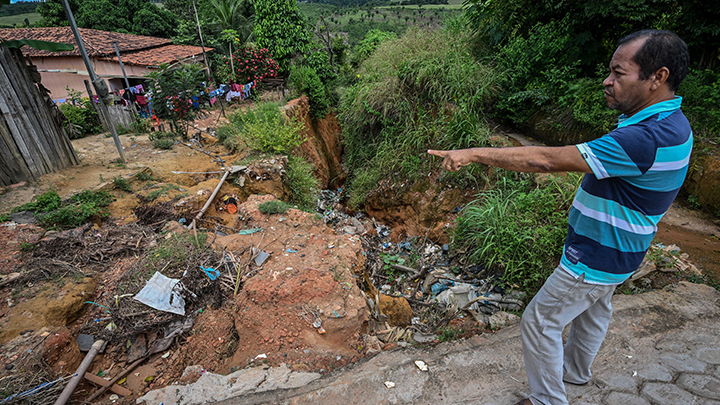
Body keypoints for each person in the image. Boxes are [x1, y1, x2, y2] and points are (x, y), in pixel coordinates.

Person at [428, 29, 692, 405]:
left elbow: (545, 160)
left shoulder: (645, 138)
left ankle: (547, 400)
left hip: (597, 255)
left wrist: (472, 153)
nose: (608, 80)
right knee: (595, 309)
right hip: (624, 253)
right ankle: (575, 372)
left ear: (657, 77)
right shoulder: (673, 124)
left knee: (539, 322)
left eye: (619, 73)